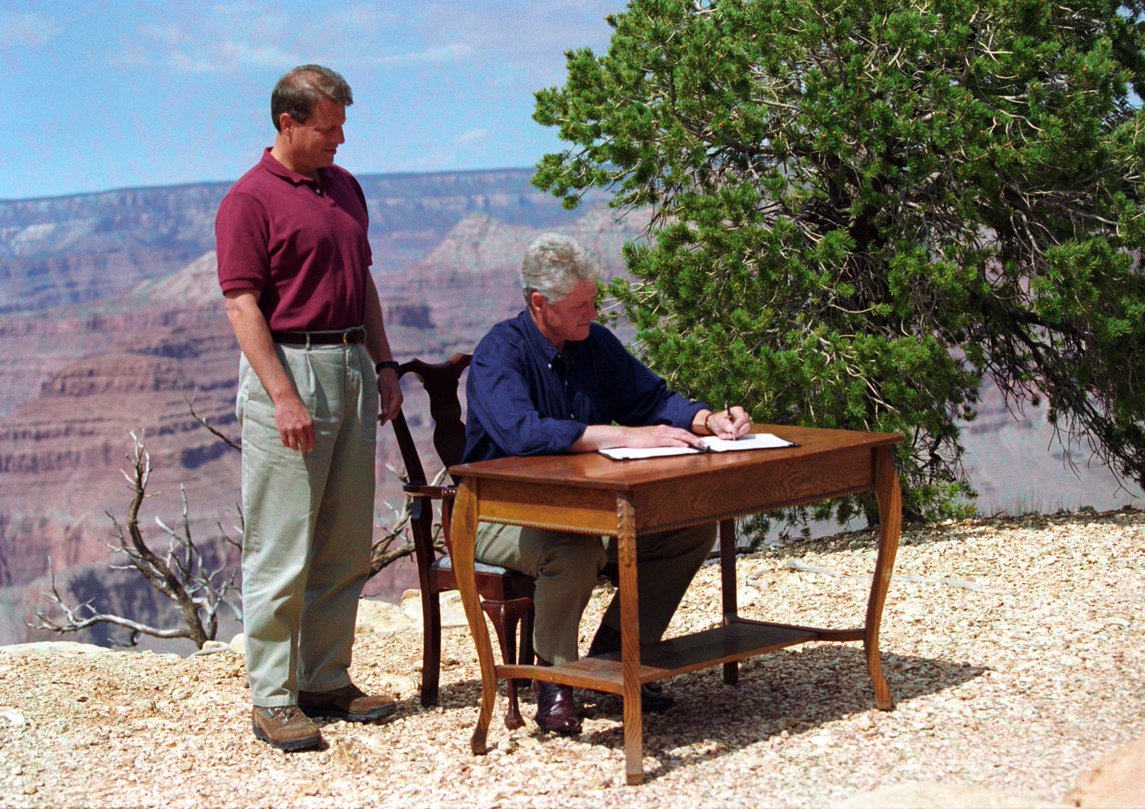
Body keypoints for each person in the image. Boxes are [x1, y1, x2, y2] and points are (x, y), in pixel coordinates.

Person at [463, 232, 751, 736]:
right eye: (581, 304)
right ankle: (554, 681)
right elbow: (522, 434)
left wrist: (707, 419)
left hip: (589, 507)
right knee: (569, 552)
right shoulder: (498, 353)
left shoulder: (593, 343)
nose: (592, 313)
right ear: (539, 303)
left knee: (689, 528)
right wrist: (620, 435)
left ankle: (616, 658)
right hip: (501, 514)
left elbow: (650, 398)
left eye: (593, 300)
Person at [215, 64, 403, 752]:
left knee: (345, 537)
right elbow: (241, 304)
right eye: (328, 128)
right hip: (290, 368)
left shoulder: (343, 188)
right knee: (282, 541)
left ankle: (325, 677)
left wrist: (381, 363)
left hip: (351, 361)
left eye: (343, 125)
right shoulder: (250, 200)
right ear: (288, 123)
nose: (340, 140)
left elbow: (367, 282)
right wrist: (283, 395)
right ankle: (272, 696)